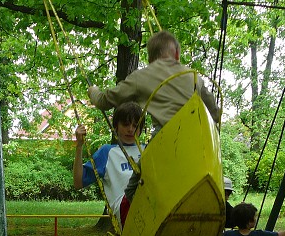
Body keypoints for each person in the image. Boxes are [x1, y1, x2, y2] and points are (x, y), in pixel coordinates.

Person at [88, 30, 221, 221]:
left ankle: (139, 229)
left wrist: (93, 91)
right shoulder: (193, 76)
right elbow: (214, 112)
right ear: (176, 54)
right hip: (198, 145)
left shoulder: (141, 77)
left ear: (151, 58)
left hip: (165, 143)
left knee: (134, 188)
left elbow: (103, 101)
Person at [73, 102, 144, 225]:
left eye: (135, 125)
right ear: (116, 126)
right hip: (124, 208)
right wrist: (79, 146)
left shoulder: (147, 150)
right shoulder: (107, 152)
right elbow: (78, 182)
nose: (130, 129)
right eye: (126, 124)